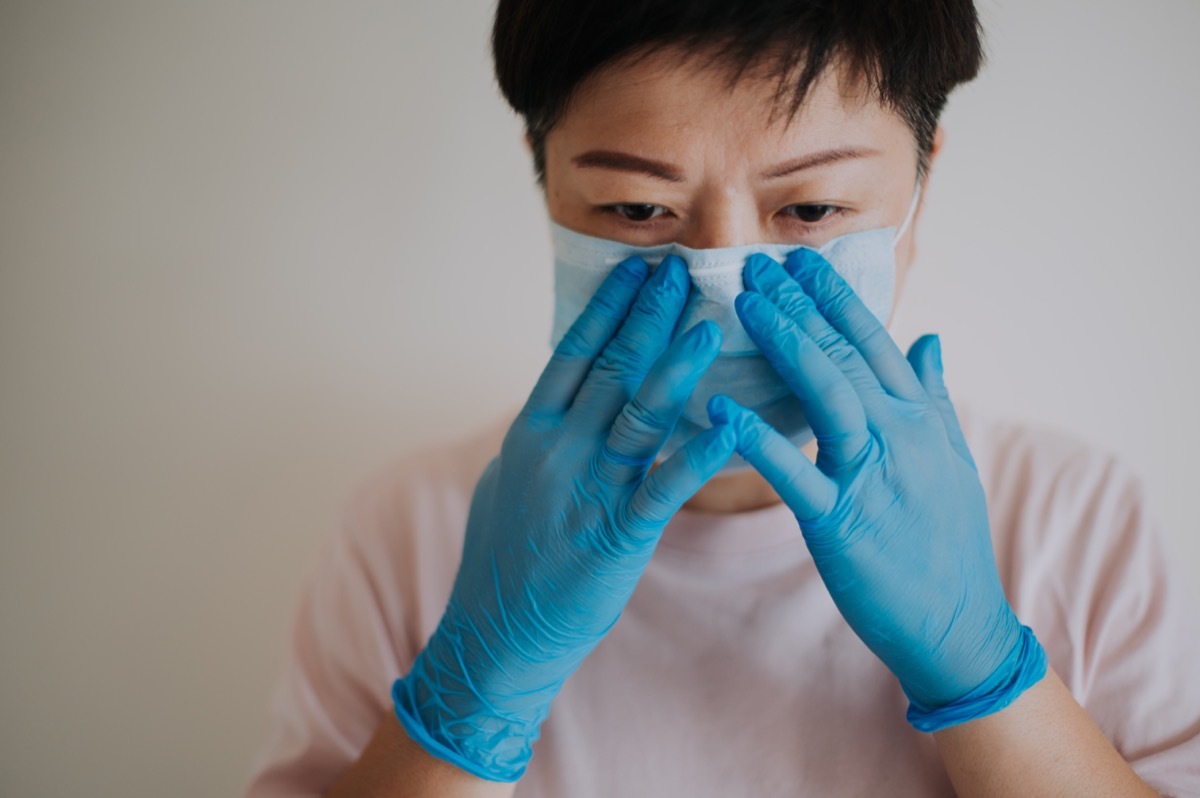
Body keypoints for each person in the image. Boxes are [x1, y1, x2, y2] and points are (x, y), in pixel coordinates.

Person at [244, 2, 1200, 796]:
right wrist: (469, 697)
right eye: (636, 210)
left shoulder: (1074, 518)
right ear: (546, 180)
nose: (720, 280)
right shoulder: (411, 531)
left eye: (812, 209)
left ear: (923, 181)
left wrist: (988, 673)